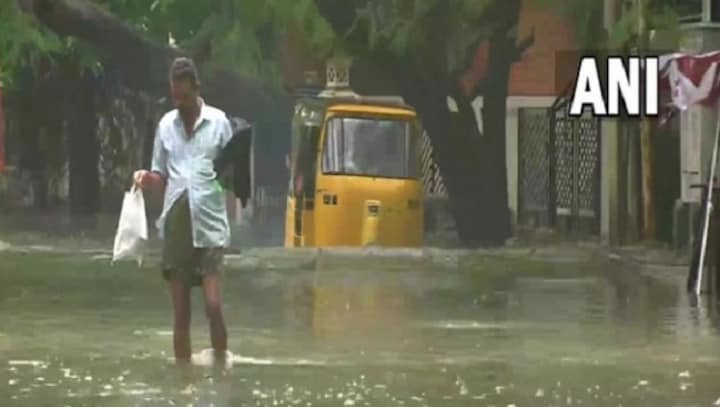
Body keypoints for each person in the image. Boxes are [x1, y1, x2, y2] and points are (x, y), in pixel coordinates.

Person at [134, 57, 231, 364]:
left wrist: (229, 216)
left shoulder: (219, 123)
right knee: (181, 314)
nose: (181, 103)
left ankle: (220, 367)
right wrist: (147, 179)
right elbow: (160, 173)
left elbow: (231, 175)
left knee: (213, 305)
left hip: (210, 223)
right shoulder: (166, 125)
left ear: (196, 89)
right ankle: (183, 379)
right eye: (176, 97)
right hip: (176, 222)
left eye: (185, 97)